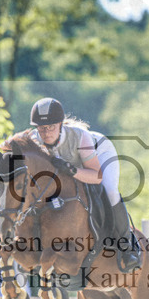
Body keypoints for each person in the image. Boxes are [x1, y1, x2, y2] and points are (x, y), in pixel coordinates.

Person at [28, 97, 140, 271]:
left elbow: (96, 176)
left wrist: (72, 170)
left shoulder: (80, 137)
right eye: (42, 128)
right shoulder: (34, 141)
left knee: (110, 191)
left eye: (51, 127)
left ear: (60, 124)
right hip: (74, 166)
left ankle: (127, 247)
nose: (46, 133)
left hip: (99, 154)